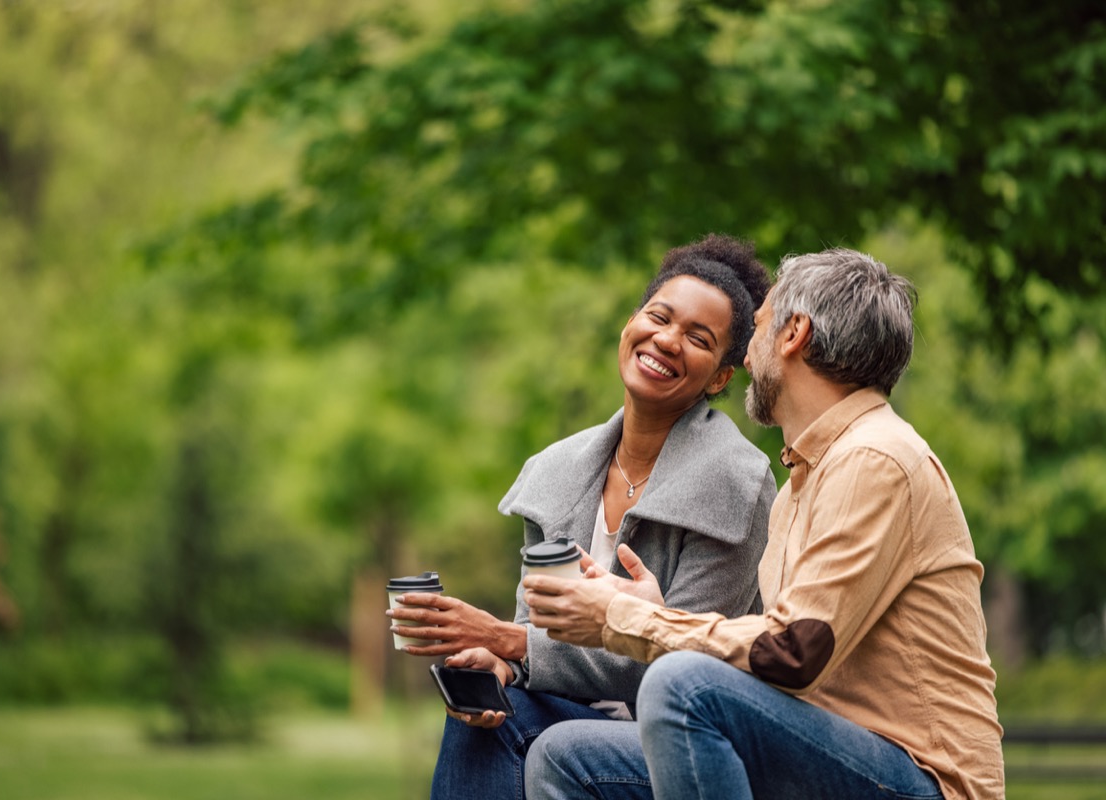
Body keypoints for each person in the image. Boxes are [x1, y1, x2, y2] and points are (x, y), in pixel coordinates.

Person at [523, 247, 1005, 799]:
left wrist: (622, 617)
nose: (748, 358)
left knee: (683, 688)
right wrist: (658, 616)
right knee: (566, 757)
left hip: (922, 780)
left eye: (755, 328)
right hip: (826, 750)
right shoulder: (805, 479)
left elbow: (793, 652)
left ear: (793, 332)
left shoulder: (876, 459)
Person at [387, 234, 778, 800]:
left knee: (556, 746)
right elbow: (539, 634)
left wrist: (510, 642)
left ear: (720, 377)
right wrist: (502, 666)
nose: (666, 340)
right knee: (485, 718)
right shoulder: (558, 471)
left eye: (698, 338)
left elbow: (685, 667)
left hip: (692, 741)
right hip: (577, 715)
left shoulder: (734, 483)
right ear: (630, 323)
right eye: (658, 317)